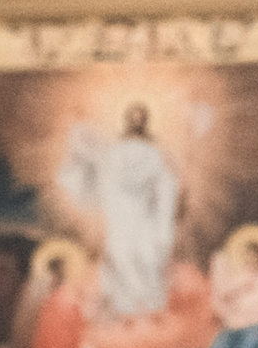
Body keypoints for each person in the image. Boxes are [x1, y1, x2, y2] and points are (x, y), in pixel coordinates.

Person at [58, 102, 181, 321]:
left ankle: (137, 311)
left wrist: (78, 128)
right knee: (131, 261)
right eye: (135, 117)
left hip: (131, 223)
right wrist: (164, 233)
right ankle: (134, 311)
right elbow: (166, 197)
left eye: (138, 117)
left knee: (135, 261)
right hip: (133, 222)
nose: (136, 121)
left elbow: (86, 157)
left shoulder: (119, 155)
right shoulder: (148, 156)